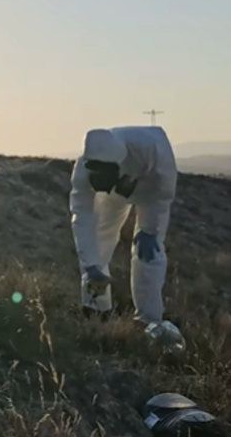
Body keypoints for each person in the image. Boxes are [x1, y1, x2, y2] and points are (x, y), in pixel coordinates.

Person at [69, 126, 183, 349]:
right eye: (95, 172)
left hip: (150, 191)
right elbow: (82, 216)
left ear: (118, 165)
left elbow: (162, 194)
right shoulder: (83, 168)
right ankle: (95, 308)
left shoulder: (154, 151)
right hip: (114, 195)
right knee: (99, 242)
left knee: (147, 252)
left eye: (104, 173)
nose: (97, 177)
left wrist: (151, 228)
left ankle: (149, 321)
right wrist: (90, 265)